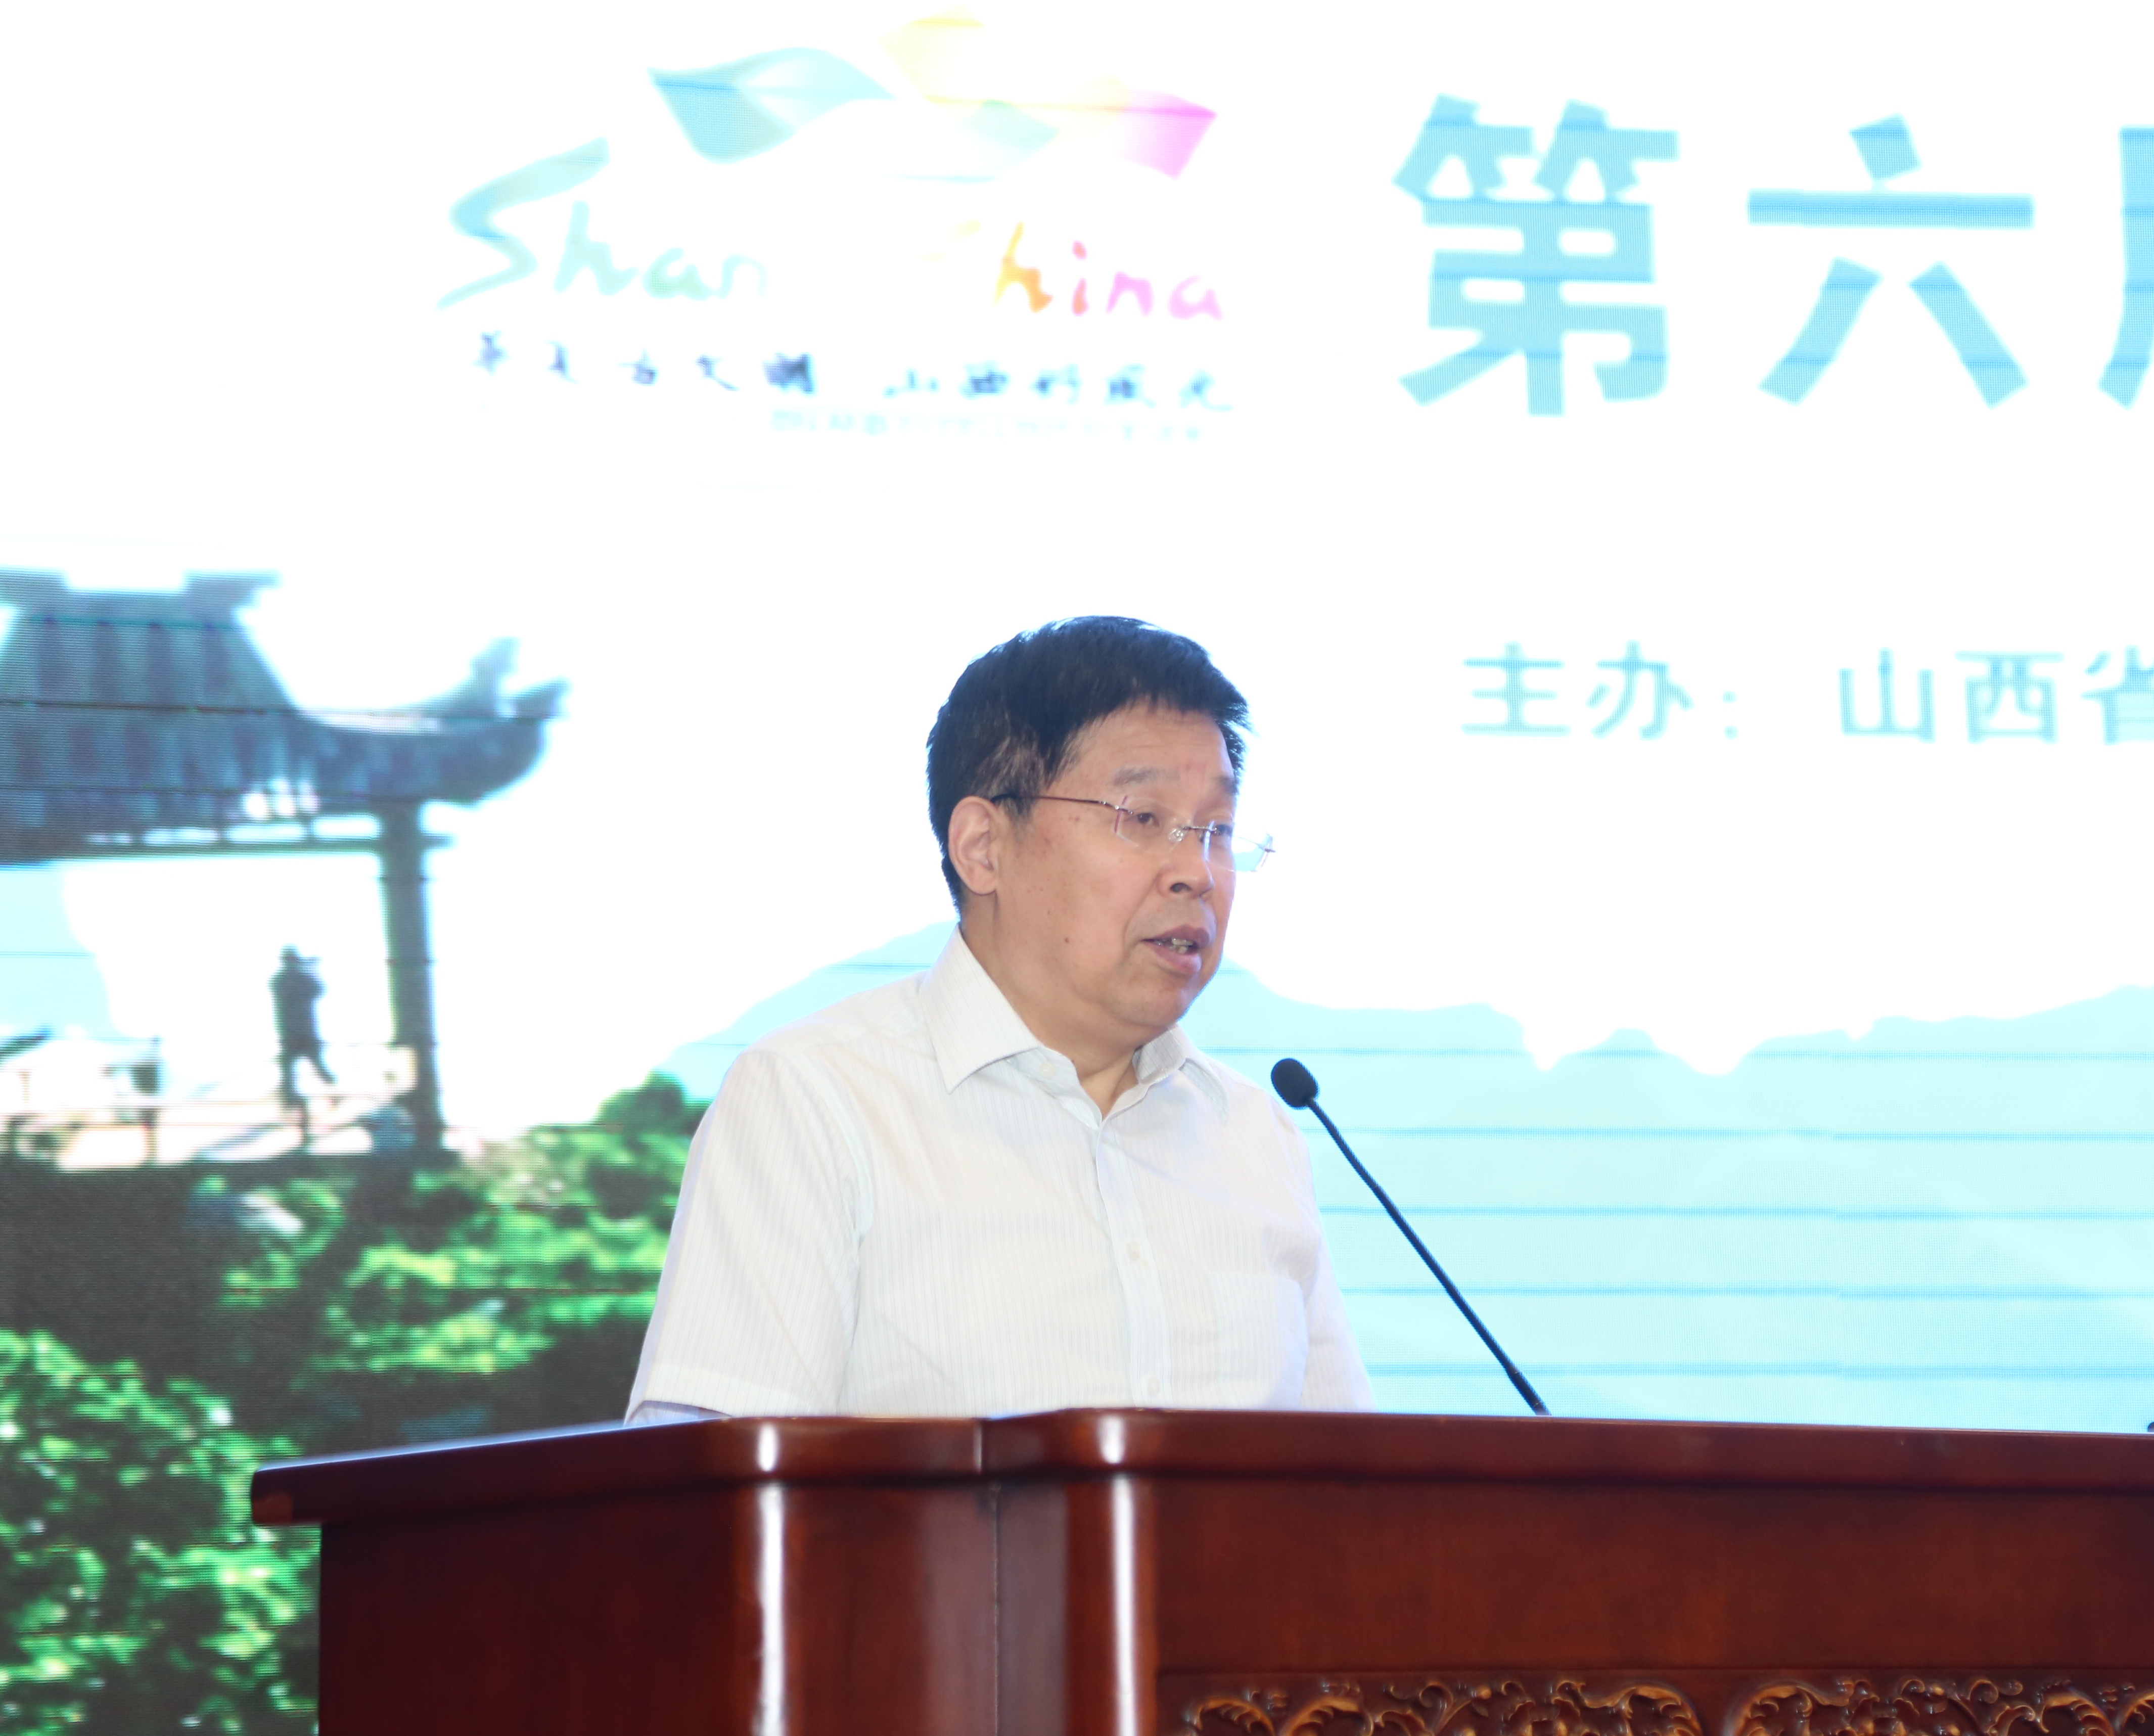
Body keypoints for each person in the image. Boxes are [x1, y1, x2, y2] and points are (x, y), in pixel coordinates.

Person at [627, 617, 1371, 1420]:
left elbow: (1351, 1481)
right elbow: (717, 1475)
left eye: (1218, 831)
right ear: (983, 845)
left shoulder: (1255, 1135)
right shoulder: (814, 1101)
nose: (1196, 871)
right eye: (1142, 818)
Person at [271, 947, 335, 1102]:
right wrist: (309, 969)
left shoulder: (282, 980)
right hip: (300, 1032)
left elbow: (318, 991)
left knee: (297, 1068)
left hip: (296, 1032)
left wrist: (308, 970)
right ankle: (292, 1098)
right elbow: (317, 991)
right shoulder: (287, 980)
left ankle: (293, 1098)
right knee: (293, 1068)